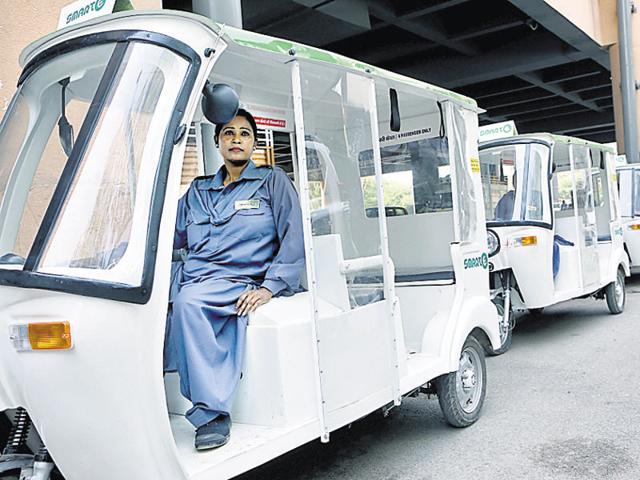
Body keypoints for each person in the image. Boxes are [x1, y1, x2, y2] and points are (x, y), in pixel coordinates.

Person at [164, 109, 305, 451]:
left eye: (244, 134)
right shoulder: (198, 191)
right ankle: (140, 394)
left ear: (254, 143)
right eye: (229, 133)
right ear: (217, 142)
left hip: (237, 278)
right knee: (137, 300)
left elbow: (294, 238)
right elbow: (169, 237)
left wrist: (270, 287)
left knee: (187, 303)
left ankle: (211, 413)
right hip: (193, 273)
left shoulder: (273, 183)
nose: (236, 140)